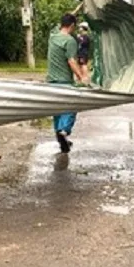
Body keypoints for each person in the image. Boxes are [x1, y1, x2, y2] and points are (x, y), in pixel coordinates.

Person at [46, 13, 88, 170]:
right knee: (72, 105)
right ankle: (64, 131)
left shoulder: (53, 37)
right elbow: (71, 61)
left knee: (57, 109)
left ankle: (60, 135)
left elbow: (56, 28)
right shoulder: (70, 41)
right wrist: (81, 76)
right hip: (64, 82)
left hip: (50, 82)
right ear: (72, 26)